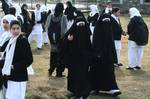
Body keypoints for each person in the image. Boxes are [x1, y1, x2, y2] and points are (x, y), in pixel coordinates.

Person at [59, 10, 92, 99]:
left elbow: (89, 47)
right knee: (74, 76)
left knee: (83, 77)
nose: (81, 27)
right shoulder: (71, 34)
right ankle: (75, 91)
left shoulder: (86, 34)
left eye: (82, 25)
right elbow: (62, 45)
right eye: (79, 25)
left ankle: (82, 93)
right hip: (74, 60)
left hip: (84, 60)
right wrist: (68, 40)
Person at [90, 13, 121, 97]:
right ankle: (95, 88)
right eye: (105, 21)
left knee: (110, 72)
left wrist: (114, 58)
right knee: (97, 72)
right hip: (98, 56)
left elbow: (111, 44)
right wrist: (97, 53)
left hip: (108, 55)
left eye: (108, 21)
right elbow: (95, 43)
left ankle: (113, 88)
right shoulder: (97, 30)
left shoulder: (109, 29)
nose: (106, 23)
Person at [0, 20, 33, 99]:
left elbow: (29, 60)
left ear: (20, 29)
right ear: (10, 29)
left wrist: (14, 66)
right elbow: (3, 50)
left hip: (19, 76)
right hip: (10, 75)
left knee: (16, 97)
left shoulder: (23, 41)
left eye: (18, 28)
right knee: (10, 96)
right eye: (13, 29)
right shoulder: (10, 40)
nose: (16, 31)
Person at [45, 3, 67, 77]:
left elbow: (47, 27)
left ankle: (51, 70)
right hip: (60, 40)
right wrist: (62, 38)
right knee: (60, 56)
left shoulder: (50, 16)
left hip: (52, 40)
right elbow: (64, 30)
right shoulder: (63, 17)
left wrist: (51, 38)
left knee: (53, 55)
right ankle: (59, 72)